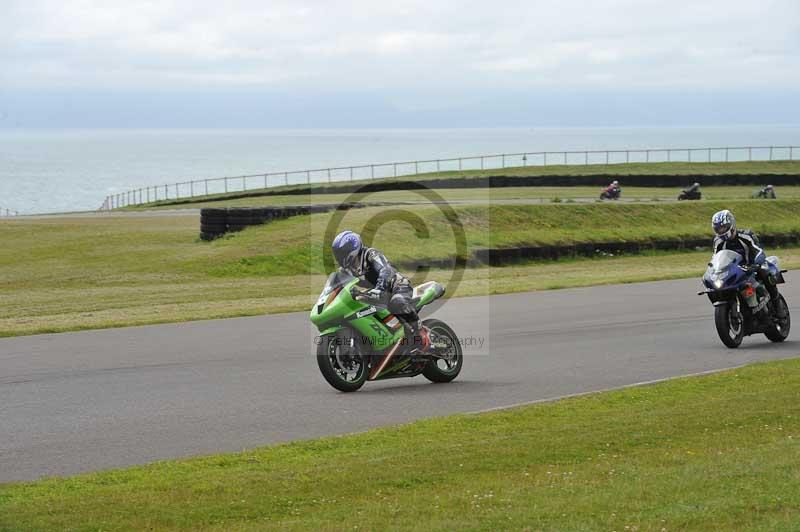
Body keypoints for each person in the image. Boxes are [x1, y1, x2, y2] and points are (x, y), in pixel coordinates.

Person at [331, 230, 429, 353]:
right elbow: (337, 286)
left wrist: (379, 288)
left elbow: (385, 270)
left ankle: (419, 332)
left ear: (352, 248)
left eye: (341, 253)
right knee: (355, 311)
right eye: (337, 254)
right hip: (374, 295)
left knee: (397, 302)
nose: (339, 257)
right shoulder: (345, 270)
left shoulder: (370, 254)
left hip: (396, 287)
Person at [711, 210, 786, 317]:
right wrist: (713, 271)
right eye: (717, 229)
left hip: (752, 266)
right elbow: (715, 258)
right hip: (735, 270)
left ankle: (777, 303)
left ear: (731, 225)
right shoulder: (717, 241)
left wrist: (755, 264)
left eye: (723, 227)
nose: (720, 231)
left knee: (765, 271)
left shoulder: (746, 236)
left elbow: (759, 251)